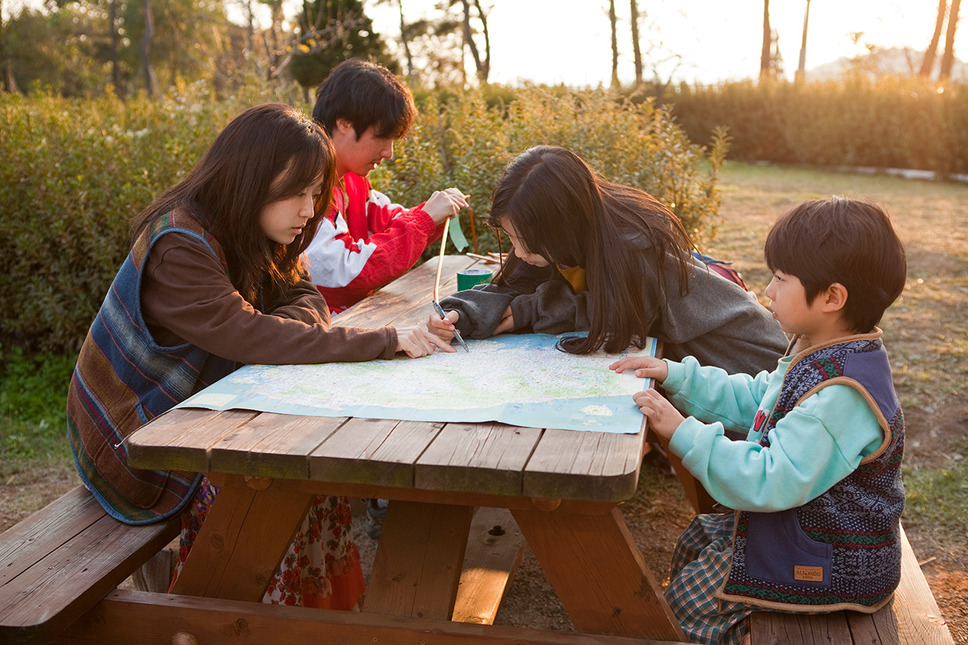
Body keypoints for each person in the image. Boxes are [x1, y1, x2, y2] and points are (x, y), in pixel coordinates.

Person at [66, 102, 454, 611]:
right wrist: (381, 339)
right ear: (251, 179)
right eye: (296, 193)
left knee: (315, 479)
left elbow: (304, 304)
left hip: (197, 414)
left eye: (316, 194)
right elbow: (252, 334)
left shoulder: (258, 231)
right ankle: (227, 617)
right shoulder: (180, 245)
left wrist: (267, 332)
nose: (307, 210)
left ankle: (310, 623)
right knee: (264, 491)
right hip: (133, 443)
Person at [610, 197, 908, 644]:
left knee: (685, 608)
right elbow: (758, 399)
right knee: (699, 539)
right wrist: (677, 376)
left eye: (781, 279)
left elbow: (770, 480)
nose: (767, 290)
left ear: (832, 297)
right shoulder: (816, 348)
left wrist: (683, 433)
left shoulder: (841, 397)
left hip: (834, 560)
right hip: (806, 528)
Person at [429, 145, 788, 376]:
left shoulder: (633, 248)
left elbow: (609, 314)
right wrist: (466, 311)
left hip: (752, 367)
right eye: (511, 238)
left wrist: (521, 313)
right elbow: (514, 285)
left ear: (561, 229)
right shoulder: (571, 237)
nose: (519, 252)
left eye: (527, 242)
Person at [304, 58, 469, 313]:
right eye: (382, 137)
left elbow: (390, 221)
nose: (389, 152)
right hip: (314, 332)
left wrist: (433, 213)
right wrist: (425, 220)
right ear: (344, 123)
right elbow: (345, 272)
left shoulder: (353, 179)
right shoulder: (306, 185)